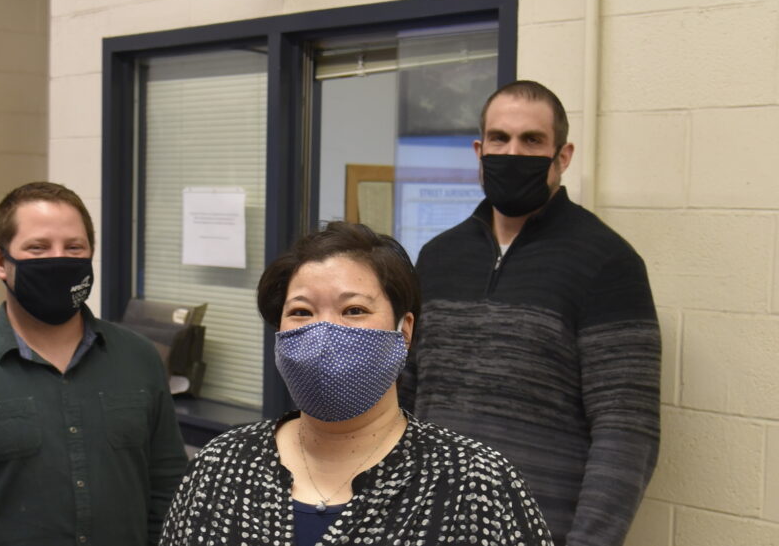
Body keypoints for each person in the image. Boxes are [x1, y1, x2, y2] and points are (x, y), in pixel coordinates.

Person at [160, 221, 553, 546]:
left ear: (405, 330)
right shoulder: (220, 468)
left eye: (354, 310)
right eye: (301, 311)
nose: (325, 331)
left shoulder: (475, 484)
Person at [401, 80, 661, 546]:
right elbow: (405, 393)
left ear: (563, 156)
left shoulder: (608, 262)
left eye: (532, 140)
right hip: (426, 526)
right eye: (500, 139)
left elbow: (627, 430)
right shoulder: (438, 257)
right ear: (479, 150)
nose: (513, 152)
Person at [0, 181, 188, 546]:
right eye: (38, 248)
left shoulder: (140, 358)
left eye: (74, 247)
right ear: (0, 262)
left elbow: (169, 492)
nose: (59, 259)